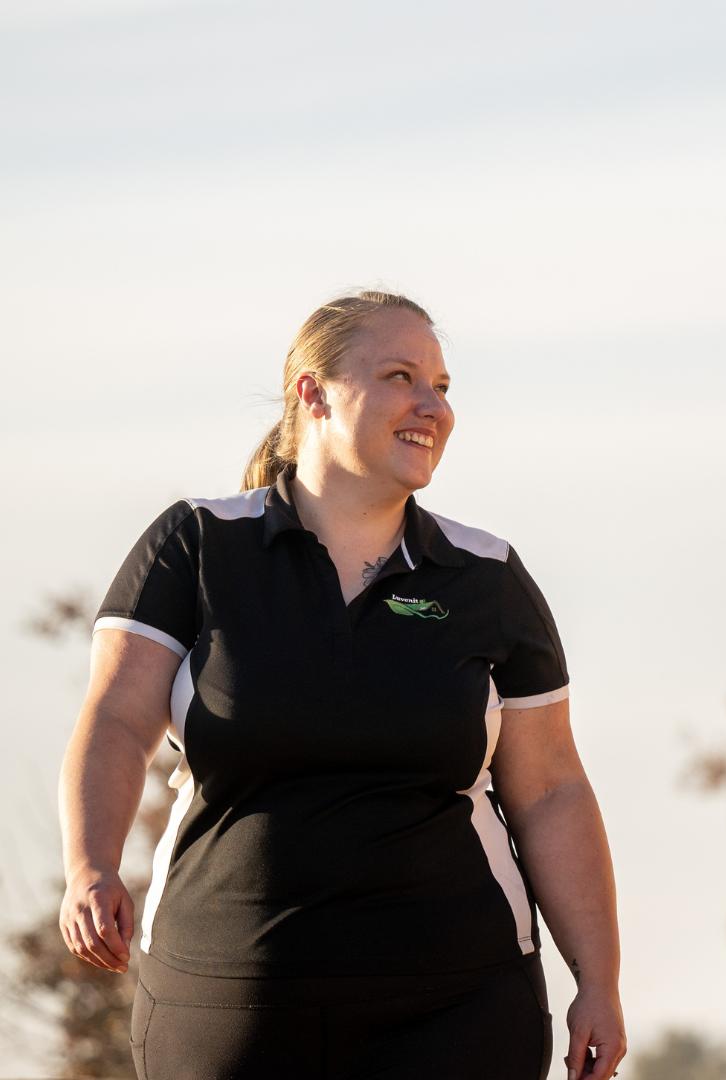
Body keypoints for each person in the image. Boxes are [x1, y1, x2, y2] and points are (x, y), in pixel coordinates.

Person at [58, 292, 625, 1080]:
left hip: (458, 1008)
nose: (433, 406)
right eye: (401, 376)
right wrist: (90, 864)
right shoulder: (195, 544)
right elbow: (118, 720)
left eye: (443, 386)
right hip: (226, 1001)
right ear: (312, 393)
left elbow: (553, 789)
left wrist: (599, 981)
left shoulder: (486, 576)